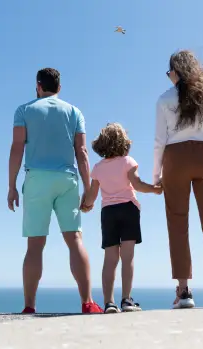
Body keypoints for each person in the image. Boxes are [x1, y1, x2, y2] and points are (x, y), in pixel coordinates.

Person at [7, 67, 103, 314]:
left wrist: (11, 186)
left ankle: (29, 306)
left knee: (34, 245)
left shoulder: (24, 110)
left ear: (38, 86)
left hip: (37, 179)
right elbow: (81, 153)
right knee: (75, 240)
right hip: (66, 179)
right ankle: (88, 302)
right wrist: (88, 186)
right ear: (59, 88)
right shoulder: (74, 112)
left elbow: (17, 148)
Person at [153, 50, 203, 309]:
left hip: (174, 159)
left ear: (175, 72)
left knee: (177, 224)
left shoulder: (164, 99)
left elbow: (159, 141)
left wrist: (157, 175)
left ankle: (184, 291)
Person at [82, 123, 162, 313]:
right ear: (123, 142)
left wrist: (85, 206)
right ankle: (126, 300)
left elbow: (92, 197)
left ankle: (109, 302)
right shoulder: (128, 162)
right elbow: (137, 184)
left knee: (110, 259)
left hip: (108, 213)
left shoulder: (98, 168)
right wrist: (155, 189)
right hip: (128, 210)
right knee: (128, 257)